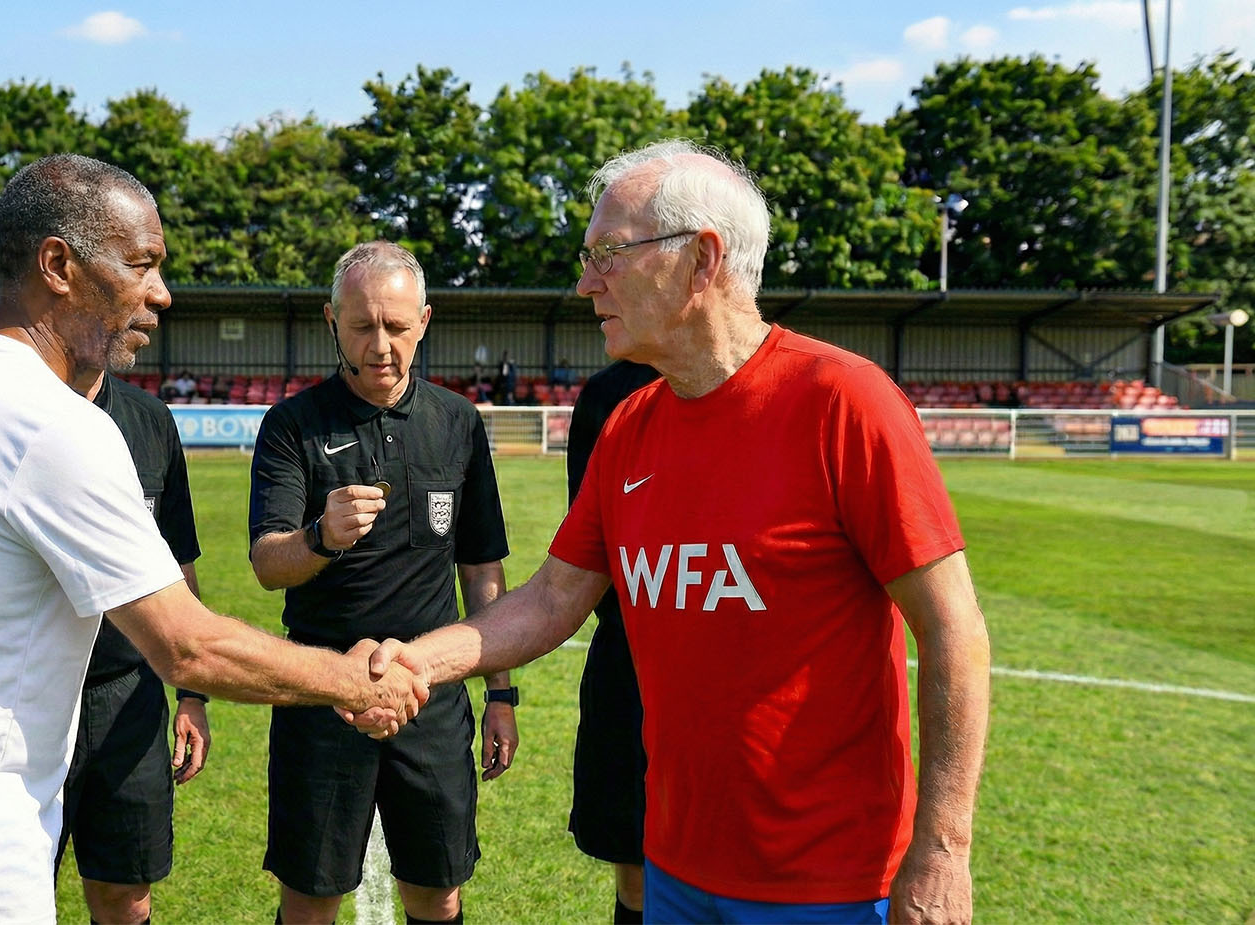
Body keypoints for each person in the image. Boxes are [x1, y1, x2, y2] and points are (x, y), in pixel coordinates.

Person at [346, 140, 991, 925]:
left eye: (609, 253)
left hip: (833, 884)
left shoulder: (845, 403)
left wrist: (945, 848)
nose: (586, 282)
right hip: (676, 867)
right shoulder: (629, 428)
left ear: (702, 260)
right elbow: (552, 600)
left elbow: (952, 627)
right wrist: (416, 659)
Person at [0, 154, 426, 925]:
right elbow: (189, 648)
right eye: (141, 264)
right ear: (58, 264)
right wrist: (358, 683)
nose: (161, 292)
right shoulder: (56, 427)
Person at [248, 241, 515, 925]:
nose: (381, 344)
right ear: (332, 321)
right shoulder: (292, 426)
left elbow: (481, 566)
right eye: (363, 325)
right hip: (322, 692)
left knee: (438, 889)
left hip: (432, 692)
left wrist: (502, 692)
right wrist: (319, 536)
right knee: (311, 897)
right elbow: (267, 562)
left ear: (424, 320)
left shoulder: (458, 424)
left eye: (396, 326)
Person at [58, 367, 211, 925]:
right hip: (24, 698)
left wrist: (191, 694)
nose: (154, 297)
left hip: (128, 697)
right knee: (8, 894)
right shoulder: (10, 412)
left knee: (125, 894)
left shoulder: (150, 422)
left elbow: (179, 566)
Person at [565, 359, 659, 925]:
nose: (592, 283)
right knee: (636, 864)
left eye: (613, 262)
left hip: (732, 682)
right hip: (627, 665)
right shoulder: (605, 396)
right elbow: (583, 553)